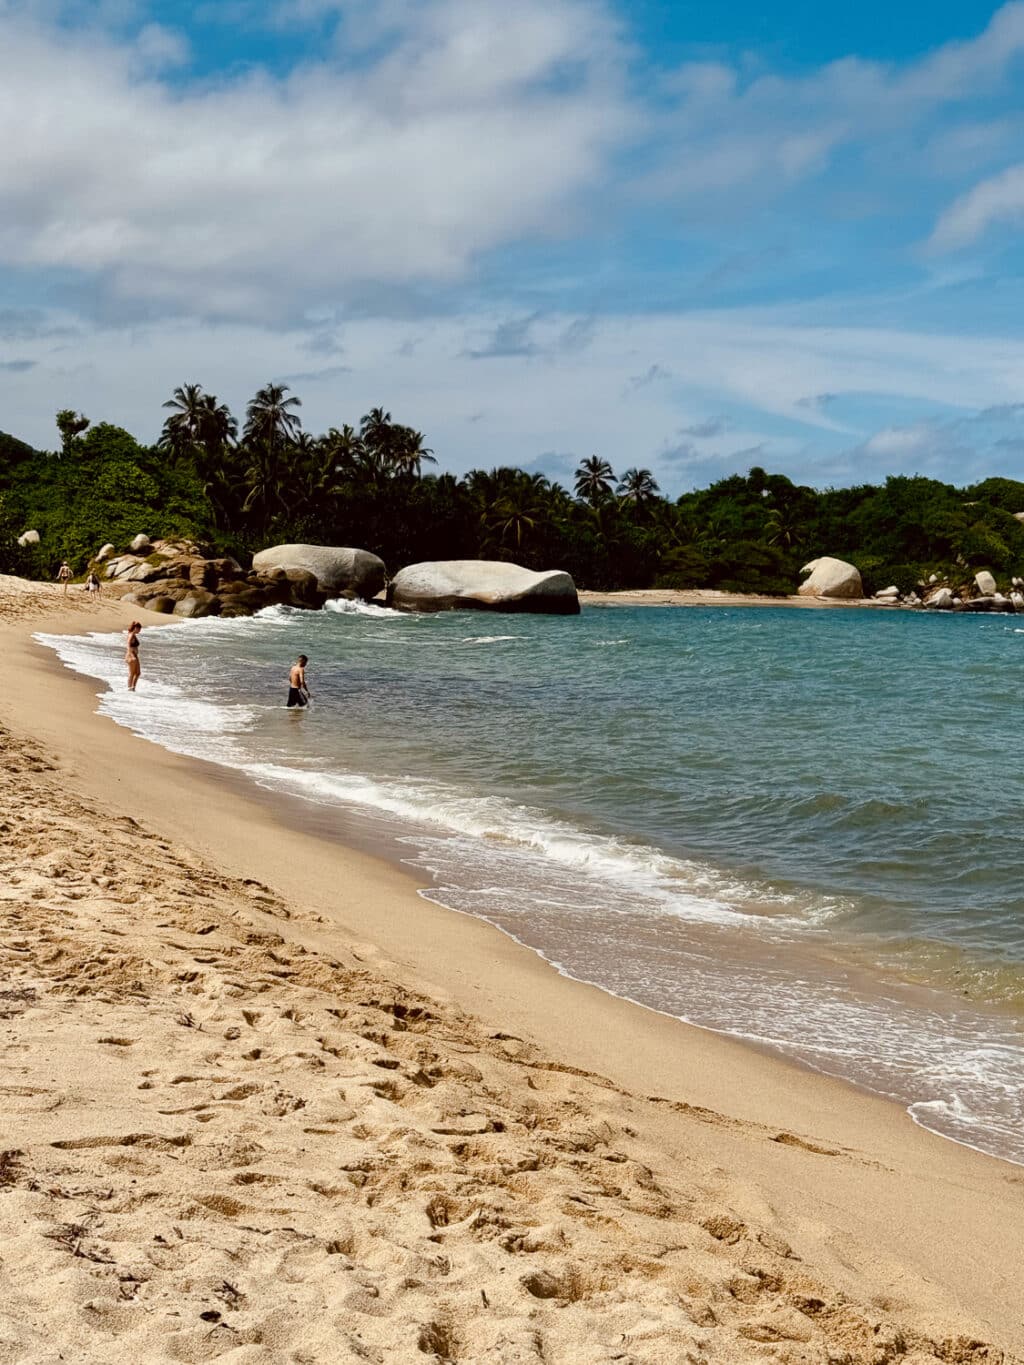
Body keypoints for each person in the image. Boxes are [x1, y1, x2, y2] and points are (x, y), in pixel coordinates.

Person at [125, 621, 141, 692]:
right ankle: (129, 688)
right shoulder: (131, 635)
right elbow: (128, 644)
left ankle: (133, 688)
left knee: (138, 673)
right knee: (132, 673)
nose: (139, 631)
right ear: (135, 628)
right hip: (131, 656)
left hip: (135, 656)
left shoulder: (133, 635)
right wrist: (131, 654)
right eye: (139, 629)